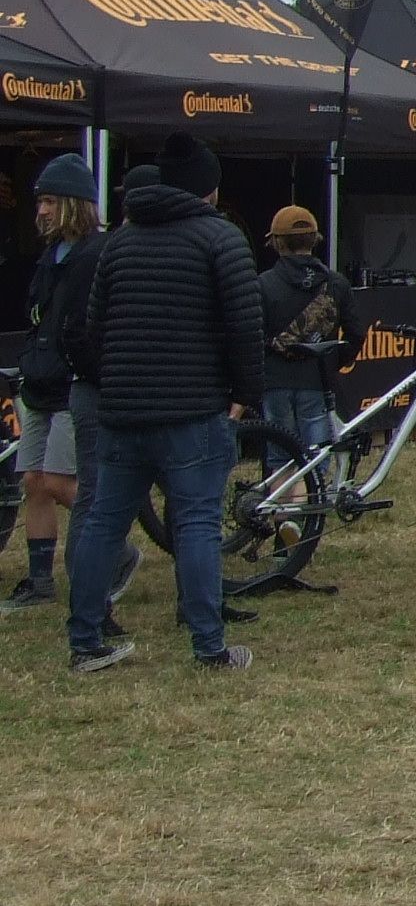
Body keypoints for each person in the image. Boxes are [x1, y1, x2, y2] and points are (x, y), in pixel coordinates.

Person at [65, 134, 266, 674]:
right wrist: (246, 397)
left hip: (124, 410)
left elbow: (94, 329)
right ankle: (209, 646)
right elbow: (245, 327)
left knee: (104, 522)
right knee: (197, 524)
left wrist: (118, 384)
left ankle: (85, 640)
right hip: (193, 410)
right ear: (209, 188)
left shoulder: (120, 244)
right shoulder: (219, 240)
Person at [5, 154, 136, 617]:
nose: (39, 210)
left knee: (62, 481)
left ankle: (114, 549)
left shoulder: (96, 253)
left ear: (73, 204)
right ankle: (40, 579)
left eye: (47, 201)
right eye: (38, 201)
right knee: (33, 482)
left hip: (73, 383)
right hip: (38, 381)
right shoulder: (50, 256)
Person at [257, 205, 352, 467]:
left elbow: (254, 335)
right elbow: (355, 333)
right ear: (316, 240)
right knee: (317, 456)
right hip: (317, 380)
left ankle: (283, 506)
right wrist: (334, 362)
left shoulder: (263, 284)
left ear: (277, 242)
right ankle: (314, 505)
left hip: (275, 381)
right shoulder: (336, 284)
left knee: (279, 457)